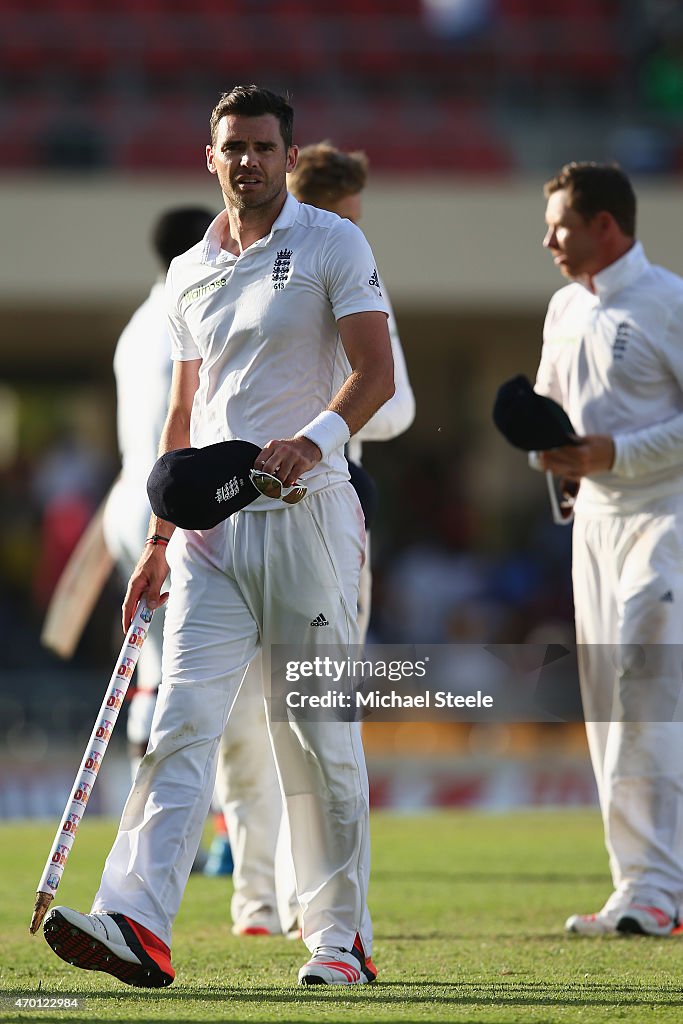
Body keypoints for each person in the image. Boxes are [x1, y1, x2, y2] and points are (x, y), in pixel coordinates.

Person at [42, 84, 394, 987]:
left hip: (309, 519)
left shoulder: (331, 240)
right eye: (232, 146)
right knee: (178, 723)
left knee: (317, 738)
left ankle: (338, 939)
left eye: (264, 146)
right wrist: (159, 539)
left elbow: (377, 375)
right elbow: (182, 416)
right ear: (211, 158)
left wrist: (307, 445)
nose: (248, 161)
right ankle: (137, 922)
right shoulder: (190, 270)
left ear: (288, 153)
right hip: (209, 538)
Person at [214, 142, 415, 938]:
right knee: (307, 714)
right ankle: (303, 903)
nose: (356, 229)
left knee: (258, 718)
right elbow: (392, 407)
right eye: (352, 215)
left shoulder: (266, 260)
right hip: (319, 508)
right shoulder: (332, 260)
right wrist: (327, 423)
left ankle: (261, 899)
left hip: (257, 510)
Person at [534, 161, 683, 937]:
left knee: (645, 682)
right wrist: (550, 454)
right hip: (591, 524)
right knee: (606, 706)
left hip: (665, 517)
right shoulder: (562, 308)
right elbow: (554, 418)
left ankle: (662, 886)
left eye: (560, 224)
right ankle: (638, 888)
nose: (547, 238)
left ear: (605, 225)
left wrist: (613, 455)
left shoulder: (668, 301)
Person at [102, 206, 214, 781]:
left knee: (154, 664)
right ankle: (186, 825)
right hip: (163, 505)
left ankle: (141, 812)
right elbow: (175, 429)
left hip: (124, 502)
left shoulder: (134, 325)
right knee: (188, 666)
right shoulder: (187, 312)